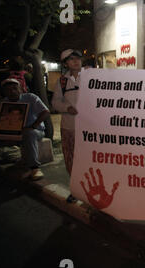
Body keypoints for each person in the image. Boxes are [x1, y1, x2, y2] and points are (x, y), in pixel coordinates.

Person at [0, 78, 49, 180]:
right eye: (8, 89)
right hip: (14, 132)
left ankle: (34, 168)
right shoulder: (2, 103)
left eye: (14, 88)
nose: (12, 91)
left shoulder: (31, 97)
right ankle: (23, 160)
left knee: (29, 134)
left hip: (35, 130)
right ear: (4, 92)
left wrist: (32, 126)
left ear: (21, 89)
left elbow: (45, 112)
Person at [51, 49, 82, 203]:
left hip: (89, 129)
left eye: (78, 58)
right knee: (71, 159)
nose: (76, 61)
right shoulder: (62, 81)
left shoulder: (92, 77)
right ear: (65, 63)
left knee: (89, 160)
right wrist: (66, 108)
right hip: (69, 126)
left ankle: (90, 191)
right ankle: (76, 190)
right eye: (71, 59)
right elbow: (55, 102)